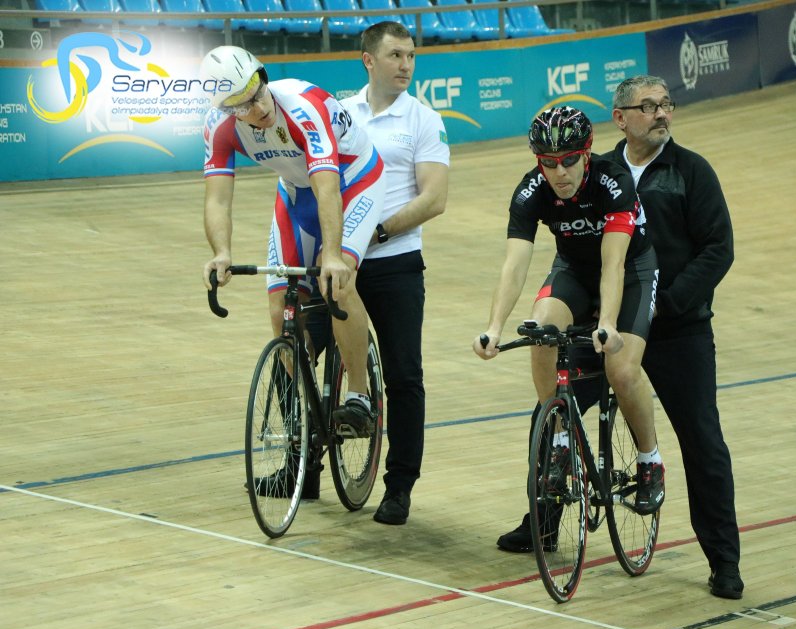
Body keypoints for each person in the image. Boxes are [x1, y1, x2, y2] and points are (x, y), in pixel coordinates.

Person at [474, 106, 664, 551]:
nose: (559, 172)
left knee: (621, 370)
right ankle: (560, 438)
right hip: (574, 271)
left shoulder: (613, 181)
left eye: (569, 161)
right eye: (548, 162)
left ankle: (650, 460)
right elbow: (515, 264)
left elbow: (613, 264)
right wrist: (494, 327)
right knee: (540, 329)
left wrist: (608, 323)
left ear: (587, 153)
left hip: (631, 271)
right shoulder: (531, 191)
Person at [199, 45, 386, 497]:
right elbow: (218, 198)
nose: (256, 108)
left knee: (337, 284)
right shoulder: (219, 128)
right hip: (296, 192)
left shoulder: (304, 106)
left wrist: (333, 255)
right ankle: (304, 421)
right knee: (278, 306)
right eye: (241, 106)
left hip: (353, 180)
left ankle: (359, 394)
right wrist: (221, 253)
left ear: (264, 77)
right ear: (224, 110)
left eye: (256, 93)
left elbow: (329, 189)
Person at [607, 74, 743, 599]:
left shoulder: (691, 171)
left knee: (703, 441)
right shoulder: (601, 173)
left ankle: (724, 561)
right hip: (614, 328)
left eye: (666, 104)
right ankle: (544, 523)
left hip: (676, 329)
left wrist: (667, 302)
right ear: (621, 118)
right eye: (648, 107)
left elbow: (718, 249)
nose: (662, 114)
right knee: (556, 403)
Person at [337, 21, 450, 525]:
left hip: (394, 261)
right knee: (301, 347)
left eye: (411, 56)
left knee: (404, 375)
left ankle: (399, 486)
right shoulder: (341, 112)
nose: (406, 65)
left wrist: (376, 233)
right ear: (369, 60)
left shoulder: (423, 119)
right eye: (395, 55)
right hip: (340, 260)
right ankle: (301, 465)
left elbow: (434, 198)